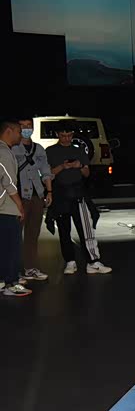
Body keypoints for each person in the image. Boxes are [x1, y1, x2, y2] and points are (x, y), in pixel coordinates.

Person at [46, 122, 112, 275]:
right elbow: (48, 174)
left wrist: (79, 166)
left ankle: (93, 261)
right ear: (57, 135)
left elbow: (87, 173)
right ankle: (70, 261)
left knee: (86, 229)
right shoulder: (50, 151)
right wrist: (62, 167)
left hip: (78, 193)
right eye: (63, 135)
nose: (66, 138)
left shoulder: (79, 150)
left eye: (69, 135)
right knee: (64, 230)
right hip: (61, 194)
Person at [12, 117, 53, 282]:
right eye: (22, 126)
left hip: (37, 195)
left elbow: (46, 170)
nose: (26, 129)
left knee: (33, 234)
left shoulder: (39, 148)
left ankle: (30, 268)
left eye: (29, 125)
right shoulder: (12, 148)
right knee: (14, 235)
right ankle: (12, 272)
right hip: (19, 196)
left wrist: (49, 191)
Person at [0, 119, 32, 297]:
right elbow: (9, 182)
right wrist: (20, 205)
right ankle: (11, 283)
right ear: (9, 131)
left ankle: (2, 281)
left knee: (3, 247)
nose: (21, 135)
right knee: (12, 247)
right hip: (6, 207)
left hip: (2, 207)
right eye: (19, 131)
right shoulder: (4, 152)